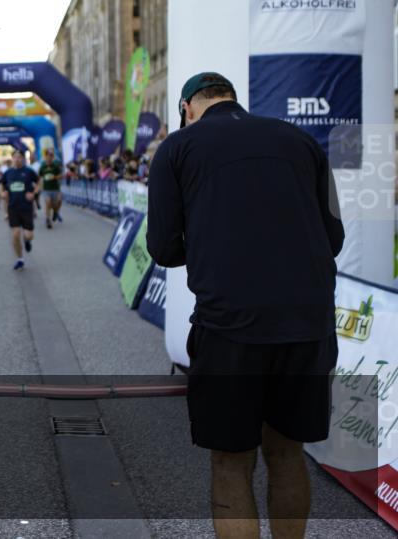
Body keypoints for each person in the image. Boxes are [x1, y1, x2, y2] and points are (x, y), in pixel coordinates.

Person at [147, 72, 344, 539]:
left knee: (231, 462)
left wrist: (213, 241)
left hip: (230, 324)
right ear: (232, 99)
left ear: (187, 108)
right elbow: (333, 237)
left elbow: (164, 248)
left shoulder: (177, 148)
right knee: (288, 453)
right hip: (307, 323)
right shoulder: (301, 141)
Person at [0, 149, 40, 270]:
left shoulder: (29, 171)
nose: (17, 159)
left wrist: (33, 193)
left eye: (19, 157)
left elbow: (39, 182)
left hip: (26, 207)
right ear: (12, 158)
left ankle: (27, 241)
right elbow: (1, 185)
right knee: (15, 234)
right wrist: (2, 193)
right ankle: (20, 259)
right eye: (15, 157)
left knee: (28, 235)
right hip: (13, 207)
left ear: (23, 158)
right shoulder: (8, 172)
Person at [38, 147, 64, 229]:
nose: (49, 158)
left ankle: (56, 212)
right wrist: (39, 187)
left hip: (55, 188)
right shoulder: (42, 166)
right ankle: (48, 220)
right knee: (48, 203)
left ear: (52, 157)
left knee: (59, 201)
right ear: (45, 157)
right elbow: (40, 177)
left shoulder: (55, 166)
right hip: (46, 189)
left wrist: (55, 177)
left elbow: (61, 175)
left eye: (51, 156)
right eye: (48, 156)